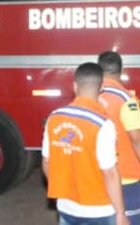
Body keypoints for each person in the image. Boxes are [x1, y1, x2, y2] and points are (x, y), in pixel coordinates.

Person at [43, 62, 129, 225]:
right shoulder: (102, 124)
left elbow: (47, 162)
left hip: (66, 206)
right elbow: (109, 172)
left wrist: (62, 193)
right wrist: (120, 213)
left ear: (74, 86)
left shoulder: (54, 117)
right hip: (100, 210)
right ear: (102, 87)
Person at [97, 51, 140, 224]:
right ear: (121, 70)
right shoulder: (126, 99)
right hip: (123, 177)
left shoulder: (89, 95)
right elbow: (137, 138)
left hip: (93, 176)